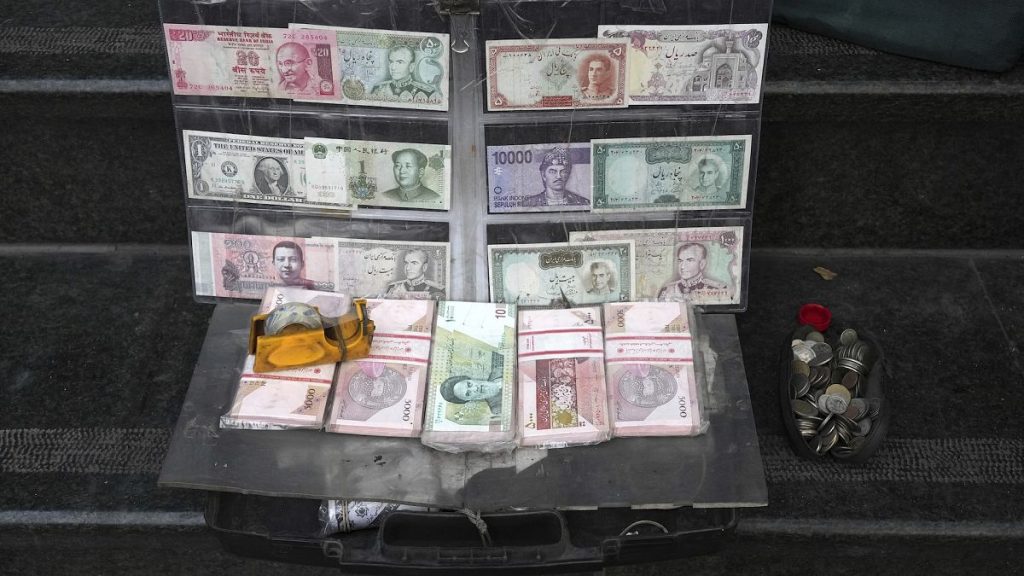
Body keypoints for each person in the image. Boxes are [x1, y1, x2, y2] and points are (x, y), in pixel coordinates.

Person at [520, 147, 590, 207]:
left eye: (563, 171)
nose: (559, 176)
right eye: (553, 172)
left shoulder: (583, 203)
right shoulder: (528, 204)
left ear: (568, 174)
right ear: (543, 175)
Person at [657, 243, 727, 300]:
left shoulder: (717, 289)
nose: (682, 266)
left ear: (702, 264)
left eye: (690, 260)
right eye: (680, 261)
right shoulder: (666, 290)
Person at [370, 45, 437, 100]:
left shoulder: (427, 92)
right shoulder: (377, 89)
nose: (393, 67)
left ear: (411, 67)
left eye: (400, 62)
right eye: (391, 62)